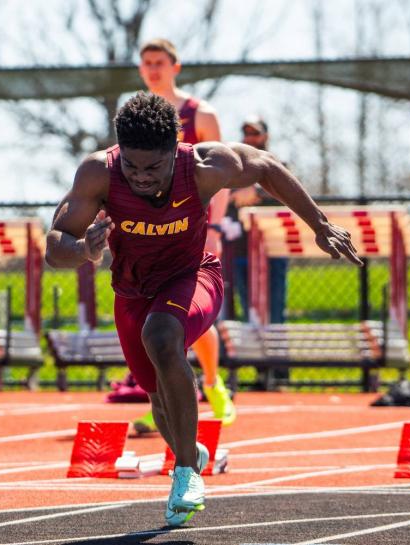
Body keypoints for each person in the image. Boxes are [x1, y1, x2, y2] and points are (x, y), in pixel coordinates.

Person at [46, 93, 361, 526]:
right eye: (133, 167)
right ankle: (188, 451)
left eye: (153, 167)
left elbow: (266, 166)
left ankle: (186, 472)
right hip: (133, 291)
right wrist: (83, 248)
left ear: (173, 151)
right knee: (158, 400)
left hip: (193, 275)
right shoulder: (99, 172)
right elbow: (54, 247)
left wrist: (320, 225)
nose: (141, 178)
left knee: (161, 336)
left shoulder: (204, 166)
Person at [132, 38, 235, 432]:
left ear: (175, 66)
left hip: (196, 227)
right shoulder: (138, 116)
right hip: (152, 231)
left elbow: (224, 176)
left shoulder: (200, 115)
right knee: (151, 314)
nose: (152, 69)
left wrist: (213, 226)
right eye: (146, 63)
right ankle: (165, 397)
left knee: (189, 313)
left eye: (159, 62)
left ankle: (211, 382)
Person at [225, 115, 291, 387]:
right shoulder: (235, 169)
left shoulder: (277, 165)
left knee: (274, 309)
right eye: (246, 133)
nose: (250, 138)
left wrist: (257, 191)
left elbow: (287, 194)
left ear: (265, 136)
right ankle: (259, 371)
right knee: (249, 310)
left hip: (273, 251)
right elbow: (225, 199)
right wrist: (236, 193)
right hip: (242, 252)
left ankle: (279, 370)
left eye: (256, 133)